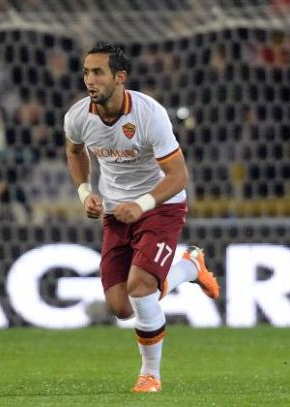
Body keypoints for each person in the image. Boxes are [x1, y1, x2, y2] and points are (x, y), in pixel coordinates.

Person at [64, 42, 220, 393]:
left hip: (161, 207)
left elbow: (179, 176)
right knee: (122, 307)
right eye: (87, 71)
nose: (90, 79)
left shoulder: (149, 114)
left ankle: (150, 375)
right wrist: (85, 192)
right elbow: (74, 152)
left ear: (120, 77)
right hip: (116, 213)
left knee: (140, 287)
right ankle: (190, 265)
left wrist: (143, 203)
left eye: (98, 72)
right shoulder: (78, 116)